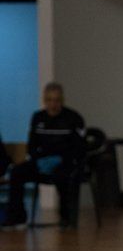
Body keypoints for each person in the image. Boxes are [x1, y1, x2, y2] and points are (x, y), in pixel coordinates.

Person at [1, 82, 85, 229]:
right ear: (45, 100)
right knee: (17, 172)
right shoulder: (38, 117)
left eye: (57, 100)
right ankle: (17, 218)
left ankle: (66, 217)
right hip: (41, 161)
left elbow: (79, 148)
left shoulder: (73, 118)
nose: (53, 104)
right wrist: (37, 159)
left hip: (64, 162)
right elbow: (32, 144)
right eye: (50, 100)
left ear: (62, 100)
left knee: (64, 176)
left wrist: (62, 159)